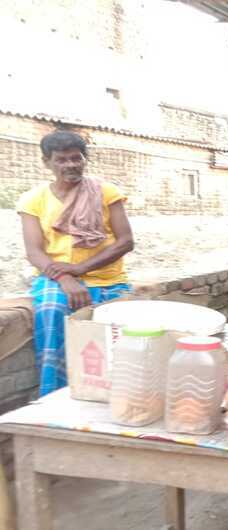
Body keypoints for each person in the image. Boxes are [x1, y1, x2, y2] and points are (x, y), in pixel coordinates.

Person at [17, 130, 135, 397]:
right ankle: (54, 396)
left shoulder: (106, 193)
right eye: (61, 160)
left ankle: (118, 392)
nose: (70, 165)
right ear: (47, 162)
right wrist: (67, 279)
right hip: (55, 277)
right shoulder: (33, 200)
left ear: (85, 159)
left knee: (121, 325)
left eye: (76, 158)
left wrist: (81, 269)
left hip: (108, 278)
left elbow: (126, 241)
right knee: (51, 310)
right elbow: (34, 252)